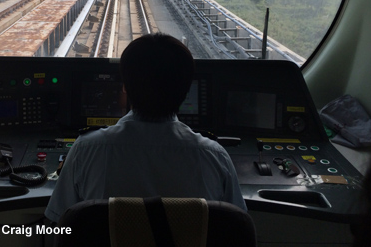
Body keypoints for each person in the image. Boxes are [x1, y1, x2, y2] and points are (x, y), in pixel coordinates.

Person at [44, 33, 246, 223]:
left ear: (125, 87)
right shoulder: (215, 156)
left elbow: (60, 223)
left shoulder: (86, 150)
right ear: (185, 92)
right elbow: (236, 225)